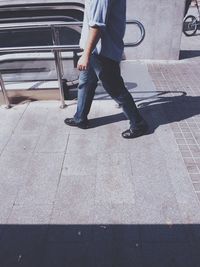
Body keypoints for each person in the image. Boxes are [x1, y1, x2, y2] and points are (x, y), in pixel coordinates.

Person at [64, 0, 148, 139]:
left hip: (102, 52)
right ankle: (80, 118)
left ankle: (138, 124)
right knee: (86, 83)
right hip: (94, 50)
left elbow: (97, 25)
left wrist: (85, 55)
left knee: (115, 89)